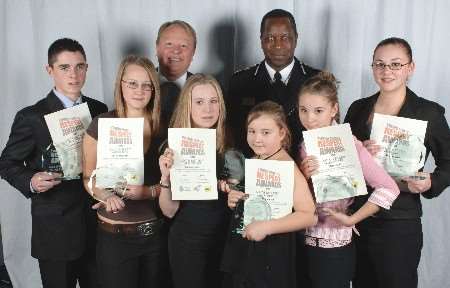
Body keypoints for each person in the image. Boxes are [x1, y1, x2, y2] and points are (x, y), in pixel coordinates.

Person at [0, 38, 107, 288]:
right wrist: (31, 180)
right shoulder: (31, 116)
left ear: (87, 68)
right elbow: (7, 162)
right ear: (50, 70)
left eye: (80, 66)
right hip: (55, 232)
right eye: (64, 67)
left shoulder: (99, 109)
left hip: (96, 227)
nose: (74, 74)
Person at [345, 37, 450, 288]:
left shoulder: (428, 112)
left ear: (410, 68)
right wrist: (357, 156)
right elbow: (343, 163)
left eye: (395, 64)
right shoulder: (358, 109)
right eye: (379, 64)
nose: (386, 71)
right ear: (372, 67)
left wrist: (431, 181)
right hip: (358, 219)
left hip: (399, 222)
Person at [296, 72, 400, 288]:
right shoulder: (304, 144)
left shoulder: (350, 144)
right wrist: (303, 176)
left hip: (334, 246)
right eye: (303, 110)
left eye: (318, 111)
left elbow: (389, 187)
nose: (310, 118)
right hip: (301, 241)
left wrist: (353, 220)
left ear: (334, 109)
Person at [82, 55, 169, 288]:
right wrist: (104, 195)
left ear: (154, 89)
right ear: (120, 84)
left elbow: (178, 182)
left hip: (156, 236)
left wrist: (149, 192)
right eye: (132, 83)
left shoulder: (165, 128)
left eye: (146, 85)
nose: (139, 91)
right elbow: (88, 176)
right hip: (114, 237)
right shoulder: (101, 124)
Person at [221, 100, 317, 288]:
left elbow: (309, 216)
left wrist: (267, 227)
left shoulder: (288, 167)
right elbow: (247, 200)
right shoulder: (255, 158)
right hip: (245, 247)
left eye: (266, 132)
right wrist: (234, 199)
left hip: (271, 253)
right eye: (252, 131)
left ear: (281, 133)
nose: (257, 138)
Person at [158, 74, 230, 288]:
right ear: (187, 106)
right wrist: (165, 178)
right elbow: (169, 211)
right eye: (199, 102)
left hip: (226, 240)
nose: (207, 109)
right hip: (188, 242)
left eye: (213, 101)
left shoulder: (231, 143)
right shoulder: (171, 148)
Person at [227, 9, 319, 157]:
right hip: (254, 169)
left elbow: (328, 132)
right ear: (261, 40)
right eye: (270, 38)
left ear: (296, 38)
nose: (277, 45)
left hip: (305, 169)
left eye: (285, 37)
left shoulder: (317, 80)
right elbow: (232, 134)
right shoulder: (240, 82)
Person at [156, 20, 196, 127]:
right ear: (157, 48)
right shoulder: (136, 86)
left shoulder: (207, 90)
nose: (176, 51)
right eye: (169, 44)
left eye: (183, 45)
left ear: (193, 52)